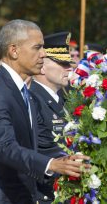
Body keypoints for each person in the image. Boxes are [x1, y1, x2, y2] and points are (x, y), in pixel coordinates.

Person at [0, 19, 90, 204]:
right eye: (37, 47)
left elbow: (35, 146)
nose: (43, 54)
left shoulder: (24, 93)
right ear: (14, 50)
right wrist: (51, 164)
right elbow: (4, 147)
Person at [29, 31, 73, 203]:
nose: (68, 68)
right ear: (42, 66)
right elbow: (38, 148)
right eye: (62, 63)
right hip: (45, 193)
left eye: (68, 63)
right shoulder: (33, 100)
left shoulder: (66, 100)